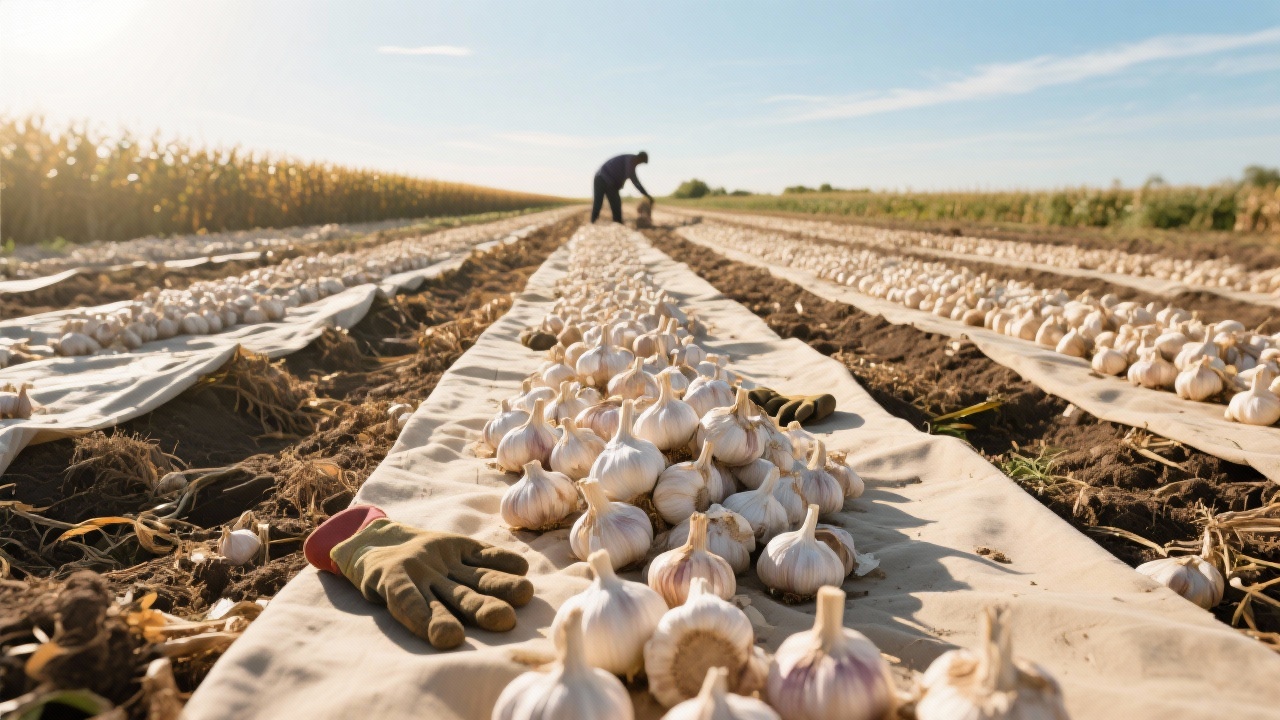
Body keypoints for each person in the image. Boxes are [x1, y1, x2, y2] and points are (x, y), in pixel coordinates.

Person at [592, 151, 652, 223]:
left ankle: (618, 223)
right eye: (641, 162)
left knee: (616, 204)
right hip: (601, 178)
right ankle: (593, 222)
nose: (639, 164)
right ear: (639, 158)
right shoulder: (630, 160)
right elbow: (635, 180)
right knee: (598, 203)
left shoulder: (630, 161)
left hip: (610, 182)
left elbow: (624, 177)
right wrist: (646, 195)